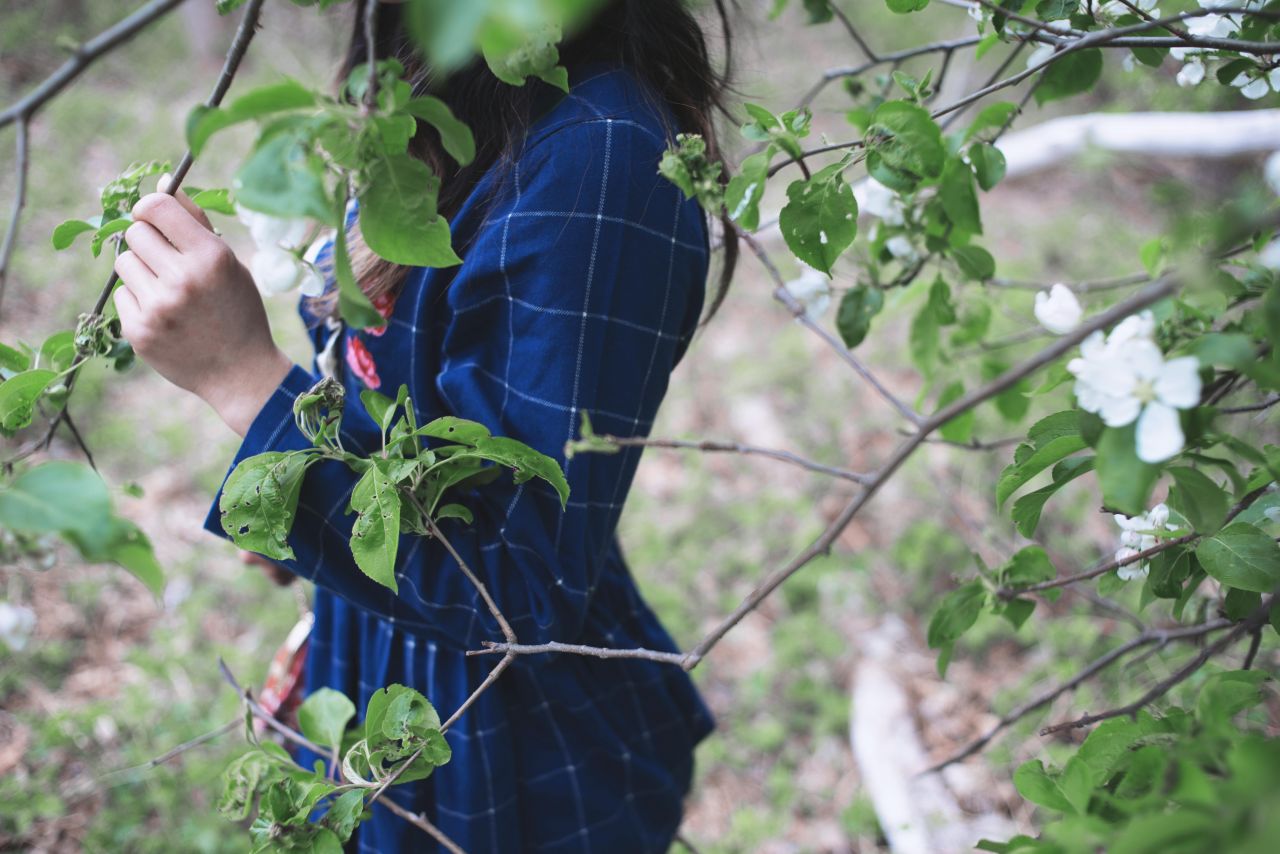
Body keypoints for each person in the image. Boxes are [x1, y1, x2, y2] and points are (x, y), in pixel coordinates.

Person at [110, 0, 738, 850]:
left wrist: (242, 380)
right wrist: (311, 499)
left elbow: (517, 590)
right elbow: (411, 409)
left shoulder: (598, 164)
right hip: (388, 661)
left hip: (502, 744)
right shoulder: (444, 99)